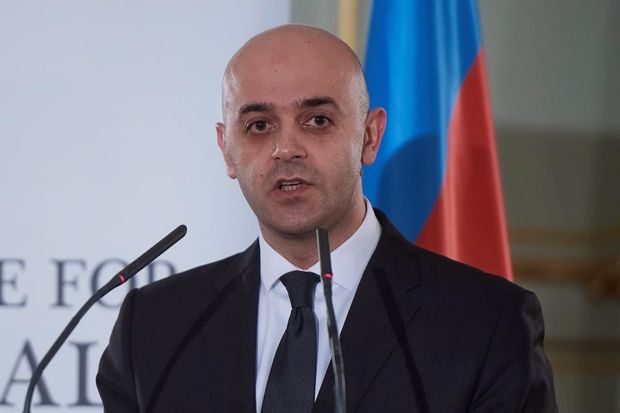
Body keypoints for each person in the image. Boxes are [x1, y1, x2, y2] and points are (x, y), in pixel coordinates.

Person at [97, 25, 558, 412]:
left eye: (317, 120)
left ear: (370, 137)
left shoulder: (487, 323)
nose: (285, 149)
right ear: (227, 150)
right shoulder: (155, 327)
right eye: (259, 125)